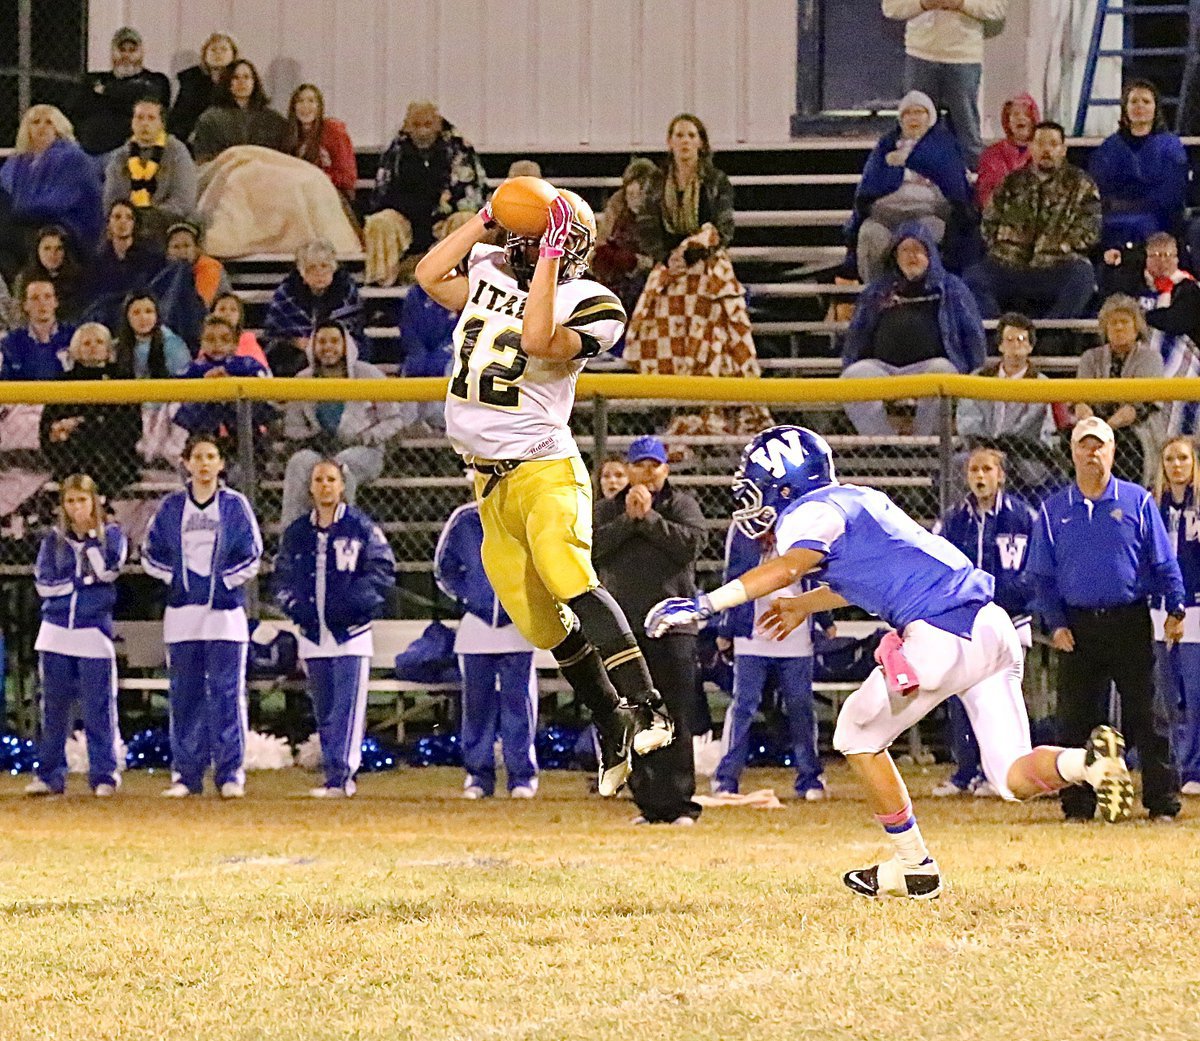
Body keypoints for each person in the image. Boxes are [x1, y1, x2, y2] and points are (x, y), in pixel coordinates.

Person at [647, 424, 1139, 900]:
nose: (751, 502)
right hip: (991, 627)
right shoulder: (860, 499)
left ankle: (914, 865)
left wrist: (708, 603)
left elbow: (790, 566)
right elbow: (868, 574)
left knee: (855, 735)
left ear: (785, 482)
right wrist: (804, 605)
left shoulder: (807, 513)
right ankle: (1087, 764)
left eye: (756, 488)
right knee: (1011, 777)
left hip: (939, 635)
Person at [414, 182, 674, 799]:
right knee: (536, 619)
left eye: (531, 237)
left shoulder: (592, 301)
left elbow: (536, 341)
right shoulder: (488, 268)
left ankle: (648, 706)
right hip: (488, 482)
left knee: (567, 577)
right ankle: (609, 716)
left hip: (543, 469)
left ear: (563, 247)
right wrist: (484, 219)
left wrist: (551, 259)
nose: (519, 245)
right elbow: (429, 274)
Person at [1028, 417, 1184, 822]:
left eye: (1100, 446)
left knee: (1149, 715)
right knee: (1076, 719)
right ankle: (1077, 805)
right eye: (1084, 446)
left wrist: (1176, 606)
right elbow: (1041, 578)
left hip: (1129, 620)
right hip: (1078, 628)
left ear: (1113, 451)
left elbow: (1164, 562)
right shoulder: (1053, 510)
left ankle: (1162, 803)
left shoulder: (1138, 502)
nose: (1092, 454)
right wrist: (1056, 623)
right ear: (1073, 452)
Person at [624, 113, 770, 439]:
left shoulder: (716, 180)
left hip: (707, 266)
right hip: (670, 269)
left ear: (701, 142)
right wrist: (667, 258)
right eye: (679, 135)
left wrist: (691, 253)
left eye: (691, 135)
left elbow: (723, 228)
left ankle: (713, 409)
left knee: (715, 336)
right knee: (651, 330)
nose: (685, 141)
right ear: (670, 142)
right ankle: (675, 409)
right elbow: (647, 227)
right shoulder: (657, 183)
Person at [142, 434, 263, 798]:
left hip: (224, 615)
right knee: (184, 694)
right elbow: (150, 553)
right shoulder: (171, 507)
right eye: (198, 457)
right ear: (187, 463)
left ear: (221, 464)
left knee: (226, 692)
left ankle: (230, 773)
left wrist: (221, 583)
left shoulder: (235, 506)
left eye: (212, 456)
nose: (205, 463)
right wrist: (180, 580)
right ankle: (186, 774)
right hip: (182, 614)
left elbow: (252, 553)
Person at [594, 436, 707, 825]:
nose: (647, 473)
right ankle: (647, 803)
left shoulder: (682, 505)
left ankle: (679, 804)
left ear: (665, 469)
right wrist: (628, 520)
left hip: (674, 628)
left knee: (675, 715)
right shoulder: (607, 509)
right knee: (636, 717)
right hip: (625, 628)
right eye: (639, 465)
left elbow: (691, 545)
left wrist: (650, 520)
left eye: (653, 465)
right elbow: (590, 549)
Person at [274, 459, 395, 798]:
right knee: (324, 709)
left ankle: (343, 776)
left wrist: (357, 606)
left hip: (350, 635)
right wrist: (295, 607)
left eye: (331, 479)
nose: (325, 485)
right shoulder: (298, 533)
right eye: (318, 480)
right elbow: (282, 575)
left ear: (342, 486)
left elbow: (382, 571)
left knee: (346, 709)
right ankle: (332, 774)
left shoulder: (361, 528)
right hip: (314, 635)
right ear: (310, 487)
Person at [930, 448, 1036, 797]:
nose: (980, 475)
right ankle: (966, 772)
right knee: (962, 698)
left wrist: (1001, 596)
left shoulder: (1023, 517)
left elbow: (1034, 571)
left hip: (1010, 620)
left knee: (1005, 702)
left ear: (1000, 475)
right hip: (965, 623)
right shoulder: (953, 521)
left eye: (987, 469)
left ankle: (1003, 773)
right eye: (974, 469)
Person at [712, 522, 836, 801]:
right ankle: (726, 778)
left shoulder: (805, 520)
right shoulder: (743, 527)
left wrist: (824, 619)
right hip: (752, 633)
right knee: (743, 705)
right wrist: (726, 627)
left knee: (800, 705)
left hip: (796, 633)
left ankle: (810, 776)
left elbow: (817, 573)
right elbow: (733, 576)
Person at [26, 475, 126, 797]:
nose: (76, 507)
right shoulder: (52, 541)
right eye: (70, 501)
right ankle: (50, 774)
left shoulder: (112, 537)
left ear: (95, 502)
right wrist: (80, 582)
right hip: (55, 633)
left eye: (82, 500)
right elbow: (44, 585)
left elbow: (107, 572)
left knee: (99, 707)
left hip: (93, 633)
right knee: (54, 709)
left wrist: (92, 543)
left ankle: (104, 775)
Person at [435, 498, 540, 799]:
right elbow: (444, 569)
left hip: (518, 624)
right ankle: (478, 775)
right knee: (476, 702)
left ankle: (522, 775)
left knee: (518, 700)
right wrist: (471, 599)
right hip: (476, 626)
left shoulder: (528, 515)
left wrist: (526, 601)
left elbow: (546, 564)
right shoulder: (464, 518)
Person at [841, 222, 985, 435]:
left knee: (942, 371)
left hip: (930, 370)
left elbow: (973, 336)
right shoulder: (877, 291)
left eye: (918, 249)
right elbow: (857, 336)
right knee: (852, 377)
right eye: (905, 250)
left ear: (930, 255)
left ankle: (921, 442)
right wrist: (850, 362)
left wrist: (976, 376)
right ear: (895, 256)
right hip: (884, 369)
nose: (912, 256)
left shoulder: (952, 288)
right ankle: (885, 443)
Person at [965, 122, 1101, 320]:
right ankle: (1004, 334)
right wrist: (1005, 249)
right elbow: (989, 221)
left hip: (1055, 266)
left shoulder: (1081, 184)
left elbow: (1090, 229)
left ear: (1063, 150)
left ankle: (1048, 334)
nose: (1046, 150)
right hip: (1010, 266)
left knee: (1083, 274)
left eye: (1053, 144)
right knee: (973, 278)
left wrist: (1059, 247)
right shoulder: (1012, 182)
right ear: (1031, 148)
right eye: (1040, 144)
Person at [280, 322, 403, 526]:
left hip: (365, 450)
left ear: (347, 345)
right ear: (313, 346)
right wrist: (311, 440)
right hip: (320, 451)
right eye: (322, 341)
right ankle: (292, 541)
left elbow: (394, 419)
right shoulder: (302, 380)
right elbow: (293, 428)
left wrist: (366, 437)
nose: (328, 347)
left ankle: (341, 535)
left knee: (341, 466)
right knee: (298, 463)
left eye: (335, 341)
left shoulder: (369, 375)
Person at [847, 91, 973, 284]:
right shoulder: (886, 145)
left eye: (919, 112)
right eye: (908, 113)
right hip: (885, 215)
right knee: (870, 235)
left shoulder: (944, 144)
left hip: (927, 212)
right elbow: (869, 186)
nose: (913, 118)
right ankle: (877, 297)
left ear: (929, 117)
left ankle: (925, 294)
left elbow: (953, 183)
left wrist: (909, 159)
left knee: (922, 236)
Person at [882, 0, 1008, 169]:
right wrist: (924, 4)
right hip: (920, 54)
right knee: (915, 131)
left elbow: (997, 8)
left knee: (967, 133)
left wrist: (961, 4)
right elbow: (890, 7)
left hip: (964, 57)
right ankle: (912, 184)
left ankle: (973, 187)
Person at [955, 312, 1060, 491]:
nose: (1015, 345)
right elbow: (967, 421)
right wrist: (985, 450)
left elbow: (1031, 429)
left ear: (1030, 347)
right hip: (979, 450)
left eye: (1021, 339)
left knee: (997, 466)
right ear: (1001, 345)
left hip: (1024, 456)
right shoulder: (978, 378)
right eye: (1010, 339)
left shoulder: (1041, 384)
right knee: (955, 464)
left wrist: (1000, 451)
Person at [371, 101, 487, 256]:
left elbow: (471, 196)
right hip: (405, 217)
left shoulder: (460, 148)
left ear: (438, 125)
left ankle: (458, 276)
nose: (422, 131)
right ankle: (385, 279)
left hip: (446, 217)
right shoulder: (396, 151)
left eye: (428, 124)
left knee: (465, 220)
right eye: (416, 125)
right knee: (381, 222)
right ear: (407, 126)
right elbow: (382, 194)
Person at [0, 105, 103, 279]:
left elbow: (56, 205)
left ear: (59, 127)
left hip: (69, 229)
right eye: (35, 122)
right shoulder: (22, 160)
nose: (41, 127)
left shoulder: (72, 157)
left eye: (48, 122)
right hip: (31, 222)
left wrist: (15, 210)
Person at [1073, 293, 1165, 484]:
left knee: (1127, 444)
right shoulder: (1090, 358)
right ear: (1105, 329)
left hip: (1136, 430)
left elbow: (1139, 407)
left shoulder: (1150, 358)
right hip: (1094, 427)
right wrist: (1090, 420)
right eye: (1113, 323)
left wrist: (1107, 428)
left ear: (1136, 327)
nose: (1119, 327)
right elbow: (1080, 400)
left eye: (1124, 322)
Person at [1088, 80, 1188, 251]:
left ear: (1156, 108)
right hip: (1113, 215)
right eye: (1134, 101)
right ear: (1125, 107)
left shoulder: (1171, 146)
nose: (1139, 106)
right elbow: (1098, 188)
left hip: (1158, 218)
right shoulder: (1109, 147)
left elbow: (1172, 193)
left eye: (1146, 101)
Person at [40, 323, 141, 491]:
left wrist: (81, 423)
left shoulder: (123, 379)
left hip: (114, 461)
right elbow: (49, 429)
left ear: (109, 349)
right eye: (87, 343)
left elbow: (132, 428)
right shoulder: (63, 382)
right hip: (71, 459)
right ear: (75, 350)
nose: (93, 347)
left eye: (99, 342)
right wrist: (59, 430)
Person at [1153, 437, 1200, 797]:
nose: (1177, 465)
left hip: (1197, 608)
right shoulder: (1153, 506)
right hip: (1158, 608)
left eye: (1183, 458)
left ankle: (1194, 766)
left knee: (1195, 691)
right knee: (1166, 694)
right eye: (1170, 458)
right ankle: (1170, 766)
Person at [103, 97, 198, 245]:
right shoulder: (120, 156)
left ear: (162, 124)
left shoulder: (178, 152)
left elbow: (183, 203)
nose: (145, 123)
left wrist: (143, 219)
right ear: (132, 123)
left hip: (168, 229)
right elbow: (111, 200)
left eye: (151, 118)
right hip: (127, 228)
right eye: (139, 118)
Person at [262, 238, 364, 376]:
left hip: (341, 351)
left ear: (333, 268)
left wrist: (328, 342)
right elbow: (272, 334)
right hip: (296, 355)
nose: (319, 272)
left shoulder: (347, 290)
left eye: (324, 266)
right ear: (302, 272)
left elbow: (355, 329)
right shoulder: (286, 292)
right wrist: (295, 341)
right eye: (312, 267)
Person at [114, 290, 191, 465]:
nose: (143, 318)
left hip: (166, 406)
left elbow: (184, 380)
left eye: (148, 312)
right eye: (136, 312)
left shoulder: (172, 344)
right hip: (134, 409)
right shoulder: (119, 347)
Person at [68, 26, 171, 158]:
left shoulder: (156, 80)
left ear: (141, 53)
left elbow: (148, 103)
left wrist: (105, 92)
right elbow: (77, 108)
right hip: (85, 152)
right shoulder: (94, 79)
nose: (126, 55)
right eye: (121, 50)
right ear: (112, 52)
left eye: (132, 50)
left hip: (129, 153)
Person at [173, 315, 271, 448]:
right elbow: (181, 413)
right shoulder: (192, 370)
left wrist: (232, 384)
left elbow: (266, 398)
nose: (217, 344)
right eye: (210, 339)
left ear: (235, 344)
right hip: (203, 438)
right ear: (201, 342)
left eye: (225, 339)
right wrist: (204, 386)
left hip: (245, 438)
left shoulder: (247, 365)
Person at [191, 59, 288, 164]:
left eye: (246, 77)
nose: (241, 82)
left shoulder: (274, 120)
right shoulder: (210, 119)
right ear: (227, 81)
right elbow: (204, 159)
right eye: (235, 77)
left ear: (254, 81)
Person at [81, 199, 167, 313]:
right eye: (117, 217)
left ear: (135, 224)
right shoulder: (97, 261)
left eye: (129, 218)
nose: (123, 222)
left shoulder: (151, 257)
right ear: (108, 223)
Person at [284, 84, 357, 203]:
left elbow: (348, 178)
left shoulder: (334, 131)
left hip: (331, 199)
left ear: (319, 107)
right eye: (300, 101)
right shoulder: (289, 136)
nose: (305, 106)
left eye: (311, 101)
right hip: (300, 199)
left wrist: (315, 176)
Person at [170, 32, 239, 146]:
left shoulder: (240, 78)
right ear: (204, 54)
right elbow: (179, 116)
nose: (218, 53)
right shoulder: (189, 79)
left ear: (233, 54)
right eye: (213, 50)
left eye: (223, 49)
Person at [0, 279, 74, 380]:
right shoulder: (9, 343)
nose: (42, 303)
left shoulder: (73, 337)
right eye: (35, 298)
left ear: (56, 302)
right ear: (25, 305)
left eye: (47, 297)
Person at [976, 93, 1039, 210]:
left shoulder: (1043, 153)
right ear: (1008, 122)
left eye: (1026, 114)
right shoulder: (991, 154)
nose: (1021, 118)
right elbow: (985, 195)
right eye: (1015, 114)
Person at [166, 220, 231, 309]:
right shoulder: (165, 271)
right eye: (176, 247)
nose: (182, 252)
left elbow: (201, 306)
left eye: (187, 245)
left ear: (197, 248)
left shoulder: (209, 267)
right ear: (167, 252)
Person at [210, 291, 269, 369]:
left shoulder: (248, 340)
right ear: (212, 315)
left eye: (233, 310)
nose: (228, 313)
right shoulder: (207, 342)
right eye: (222, 309)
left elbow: (261, 369)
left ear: (239, 316)